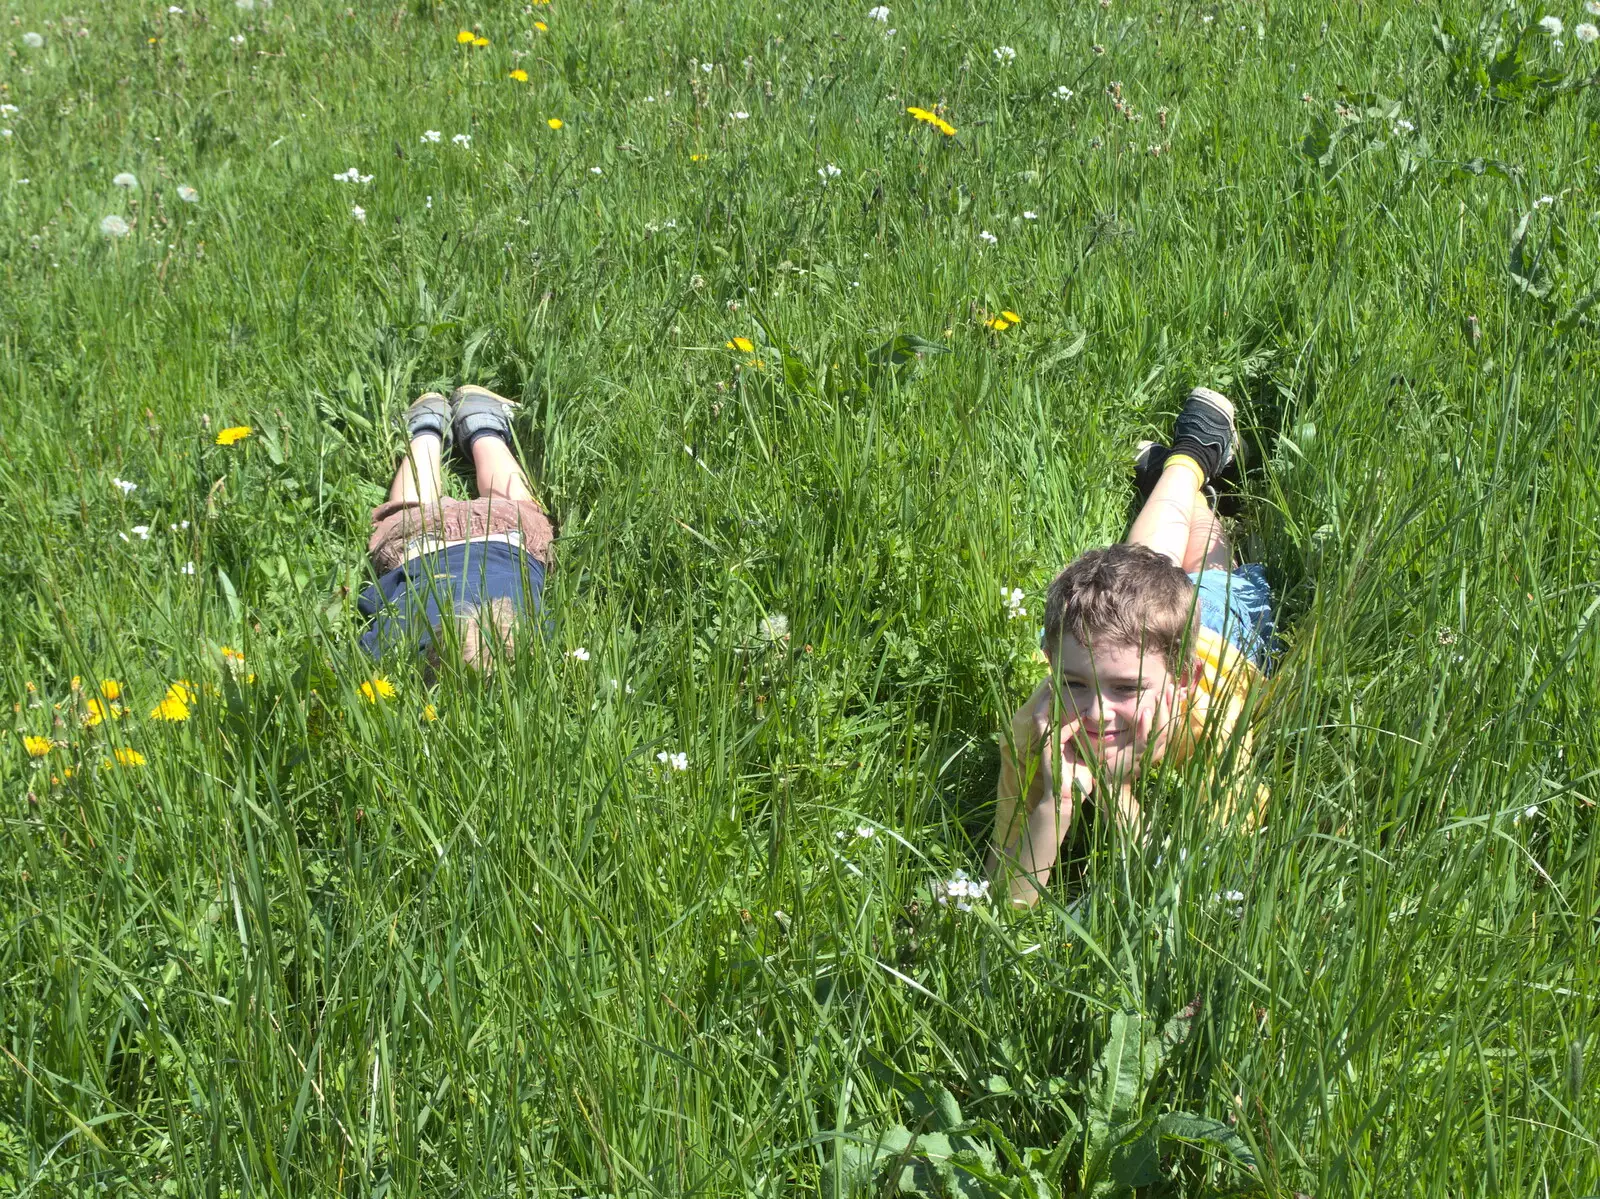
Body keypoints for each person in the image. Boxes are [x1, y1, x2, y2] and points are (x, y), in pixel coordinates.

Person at [986, 386, 1276, 908]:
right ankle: (1188, 472)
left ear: (1182, 683)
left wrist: (1114, 790)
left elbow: (1200, 887)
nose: (1097, 714)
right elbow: (1004, 901)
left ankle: (1189, 464)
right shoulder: (1036, 725)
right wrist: (1055, 804)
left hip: (1221, 635)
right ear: (1050, 664)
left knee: (1207, 571)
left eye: (1125, 689)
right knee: (1138, 571)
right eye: (1074, 683)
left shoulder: (1211, 725)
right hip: (1130, 635)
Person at [359, 385, 553, 670]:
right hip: (420, 545)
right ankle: (426, 427)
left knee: (513, 502)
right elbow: (371, 601)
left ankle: (481, 422)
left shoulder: (538, 632)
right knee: (409, 508)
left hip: (506, 536)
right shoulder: (395, 646)